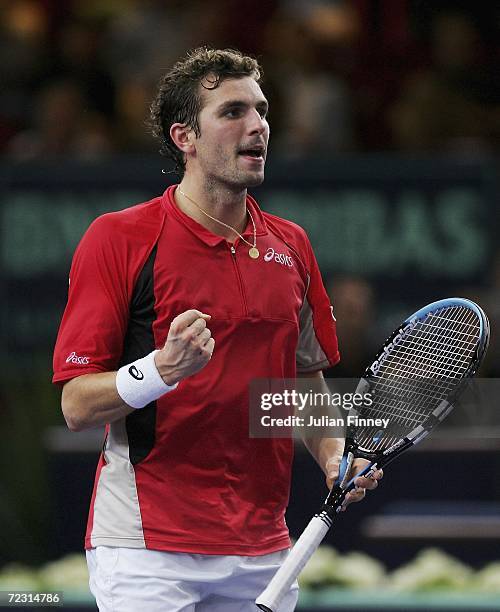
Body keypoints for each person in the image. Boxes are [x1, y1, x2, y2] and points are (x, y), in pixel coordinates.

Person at [52, 47, 382, 612]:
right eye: (232, 112)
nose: (257, 126)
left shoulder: (293, 246)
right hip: (147, 550)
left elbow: (300, 386)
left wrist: (331, 450)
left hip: (264, 552)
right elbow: (77, 407)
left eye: (261, 110)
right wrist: (160, 369)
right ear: (185, 138)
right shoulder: (119, 240)